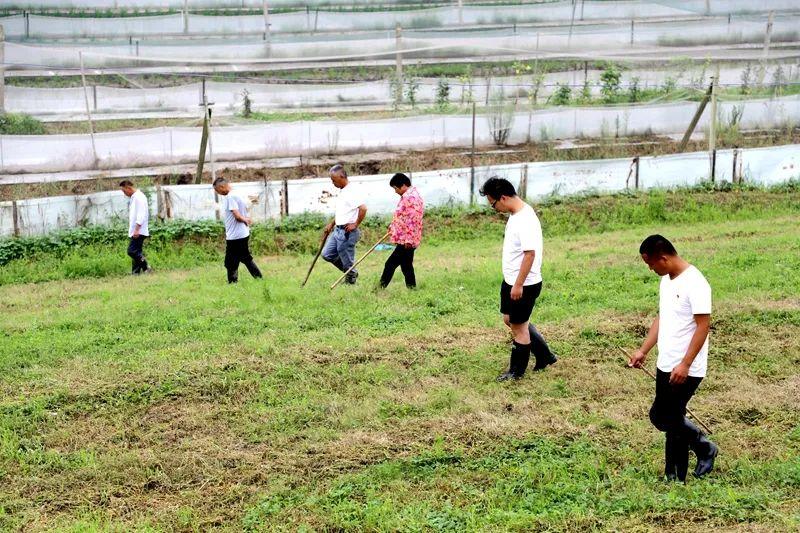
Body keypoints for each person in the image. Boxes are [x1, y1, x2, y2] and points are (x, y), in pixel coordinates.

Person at [628, 234, 718, 482]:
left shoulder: (696, 283)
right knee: (671, 418)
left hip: (686, 367)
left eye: (650, 263)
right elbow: (662, 317)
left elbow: (703, 326)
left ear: (664, 258)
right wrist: (643, 350)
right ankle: (674, 475)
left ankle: (704, 447)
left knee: (663, 416)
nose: (650, 268)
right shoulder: (667, 280)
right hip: (665, 363)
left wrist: (686, 364)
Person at [480, 177, 557, 381]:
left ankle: (516, 372)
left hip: (524, 284)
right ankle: (545, 355)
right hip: (512, 280)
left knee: (519, 328)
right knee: (510, 320)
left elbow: (529, 254)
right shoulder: (516, 213)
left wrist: (519, 284)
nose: (494, 208)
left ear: (503, 198)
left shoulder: (525, 219)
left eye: (493, 204)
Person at [322, 164, 367, 285]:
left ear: (341, 176)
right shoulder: (342, 191)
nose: (333, 183)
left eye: (334, 180)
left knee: (347, 260)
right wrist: (331, 224)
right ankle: (351, 272)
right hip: (337, 230)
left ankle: (350, 281)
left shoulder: (352, 191)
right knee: (327, 254)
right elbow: (342, 212)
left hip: (347, 232)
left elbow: (363, 208)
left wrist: (355, 224)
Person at [212, 178, 263, 284]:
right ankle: (257, 279)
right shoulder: (237, 193)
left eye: (218, 191)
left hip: (236, 235)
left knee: (232, 260)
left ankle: (234, 282)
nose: (219, 193)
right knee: (242, 258)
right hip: (241, 233)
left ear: (222, 187)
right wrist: (246, 219)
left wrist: (245, 220)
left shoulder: (230, 197)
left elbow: (236, 214)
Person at [380, 173, 424, 289]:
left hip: (406, 240)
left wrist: (409, 240)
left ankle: (379, 289)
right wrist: (393, 226)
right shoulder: (408, 196)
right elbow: (403, 216)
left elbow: (412, 220)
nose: (395, 191)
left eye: (395, 188)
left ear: (403, 185)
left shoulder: (411, 198)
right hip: (405, 238)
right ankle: (412, 289)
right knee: (406, 265)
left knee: (390, 264)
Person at [119, 180, 151, 275]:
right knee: (137, 251)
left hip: (139, 230)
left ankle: (146, 266)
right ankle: (135, 273)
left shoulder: (139, 198)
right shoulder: (135, 197)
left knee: (131, 251)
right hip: (137, 230)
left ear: (128, 187)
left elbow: (141, 214)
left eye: (124, 191)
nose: (124, 194)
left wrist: (137, 229)